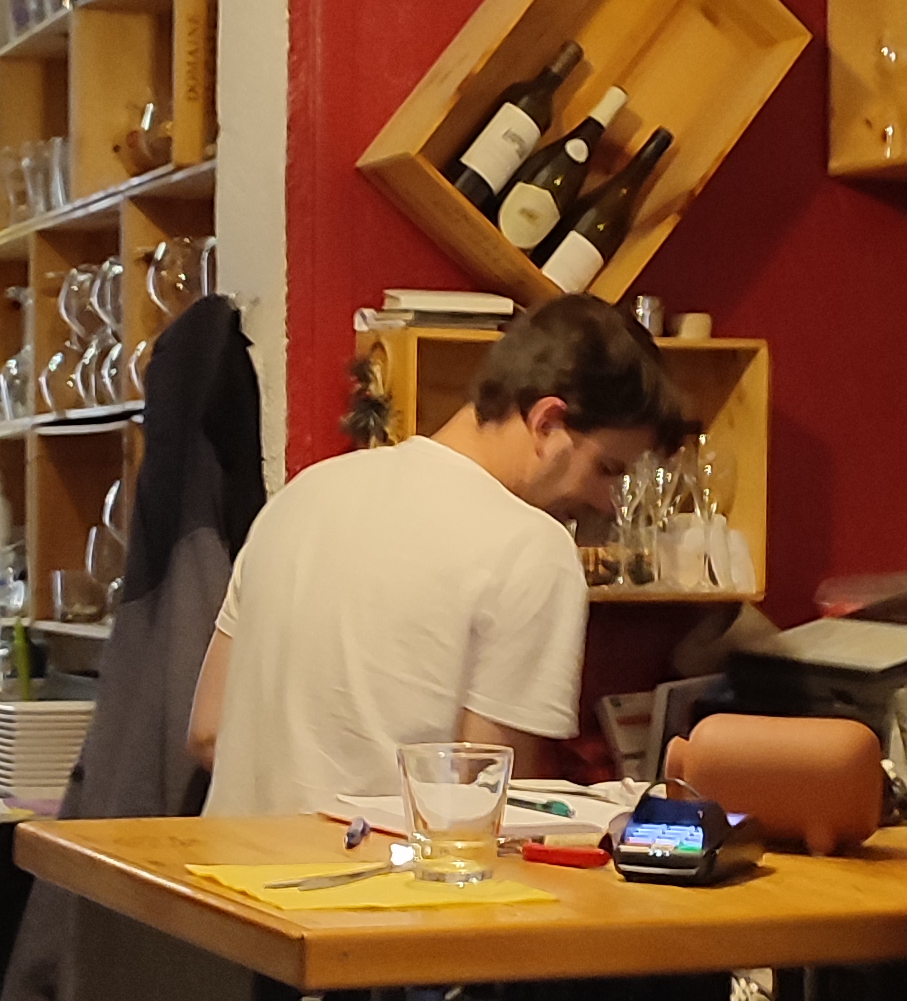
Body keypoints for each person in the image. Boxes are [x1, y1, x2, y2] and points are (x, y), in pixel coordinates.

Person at [191, 299, 681, 815]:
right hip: (371, 867)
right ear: (547, 422)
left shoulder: (302, 495)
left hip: (225, 857)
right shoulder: (532, 547)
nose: (608, 502)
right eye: (606, 469)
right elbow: (486, 800)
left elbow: (207, 731)